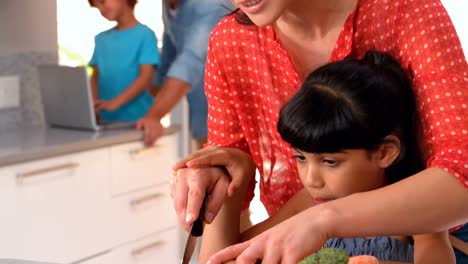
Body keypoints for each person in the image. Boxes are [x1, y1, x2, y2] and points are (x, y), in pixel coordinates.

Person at [171, 0, 468, 263]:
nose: (312, 178)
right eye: (300, 158)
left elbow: (461, 172)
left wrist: (322, 220)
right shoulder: (230, 41)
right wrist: (227, 168)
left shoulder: (405, 10)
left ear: (386, 153)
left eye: (329, 161)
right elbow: (224, 252)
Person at [136, 0, 233, 148]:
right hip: (205, 116)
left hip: (234, 115)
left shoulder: (211, 5)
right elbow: (170, 51)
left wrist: (154, 116)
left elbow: (191, 61)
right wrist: (149, 100)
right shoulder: (168, 6)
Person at [88, 0, 159, 122]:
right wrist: (93, 107)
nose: (101, 9)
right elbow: (95, 77)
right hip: (105, 121)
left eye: (102, 2)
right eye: (96, 6)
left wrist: (115, 102)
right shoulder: (101, 39)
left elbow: (145, 77)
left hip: (138, 121)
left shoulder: (146, 35)